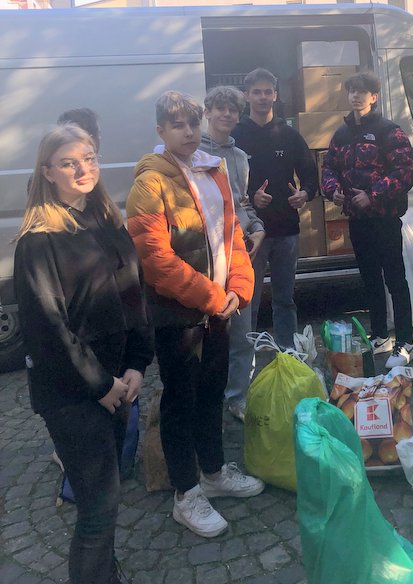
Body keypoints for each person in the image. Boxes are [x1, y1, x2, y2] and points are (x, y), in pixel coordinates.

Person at [14, 124, 154, 584]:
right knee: (97, 507)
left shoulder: (106, 221)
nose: (83, 168)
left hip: (119, 382)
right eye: (69, 162)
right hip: (74, 394)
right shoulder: (39, 241)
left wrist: (136, 363)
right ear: (47, 171)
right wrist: (101, 384)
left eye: (89, 158)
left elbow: (134, 297)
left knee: (109, 498)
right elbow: (48, 329)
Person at [127, 91, 264, 539]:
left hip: (219, 309)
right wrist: (210, 296)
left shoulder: (212, 169)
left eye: (192, 122)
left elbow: (233, 238)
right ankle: (185, 494)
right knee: (180, 402)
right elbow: (155, 259)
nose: (188, 131)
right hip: (179, 314)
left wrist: (238, 290)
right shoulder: (150, 183)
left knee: (211, 393)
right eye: (177, 124)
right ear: (161, 132)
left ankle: (212, 471)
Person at [321, 71, 413, 368]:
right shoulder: (342, 134)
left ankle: (405, 342)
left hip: (385, 219)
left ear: (373, 97)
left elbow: (405, 170)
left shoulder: (389, 130)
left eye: (362, 91)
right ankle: (379, 335)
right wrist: (332, 191)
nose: (356, 96)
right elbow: (329, 168)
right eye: (352, 91)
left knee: (395, 279)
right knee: (370, 279)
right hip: (358, 220)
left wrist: (373, 195)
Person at [231, 68, 318, 349]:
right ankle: (248, 360)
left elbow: (310, 174)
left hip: (287, 230)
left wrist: (304, 193)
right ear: (246, 96)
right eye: (256, 92)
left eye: (268, 91)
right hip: (250, 235)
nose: (263, 97)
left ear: (276, 95)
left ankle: (288, 356)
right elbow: (225, 186)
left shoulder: (289, 134)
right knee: (249, 300)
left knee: (285, 299)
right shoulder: (235, 136)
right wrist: (250, 198)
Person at [199, 85, 265, 422]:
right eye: (220, 108)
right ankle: (206, 398)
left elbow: (242, 204)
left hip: (238, 254)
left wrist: (257, 227)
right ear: (207, 111)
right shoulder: (191, 153)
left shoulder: (240, 159)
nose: (226, 115)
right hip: (205, 257)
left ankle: (238, 397)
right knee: (208, 334)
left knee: (243, 333)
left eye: (232, 110)